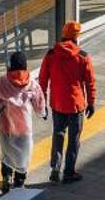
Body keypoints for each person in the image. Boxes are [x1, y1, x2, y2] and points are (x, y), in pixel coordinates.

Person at [38, 22, 97, 184]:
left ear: (63, 34)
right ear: (77, 38)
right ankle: (69, 172)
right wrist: (91, 102)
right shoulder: (83, 56)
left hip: (57, 103)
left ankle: (55, 168)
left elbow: (42, 80)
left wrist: (41, 102)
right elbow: (90, 82)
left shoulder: (51, 54)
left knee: (58, 135)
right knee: (74, 139)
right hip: (76, 105)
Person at [0, 50, 48, 189]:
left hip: (6, 127)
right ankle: (19, 181)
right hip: (24, 129)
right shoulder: (31, 83)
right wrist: (43, 113)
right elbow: (39, 102)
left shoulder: (2, 81)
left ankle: (6, 177)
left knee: (6, 154)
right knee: (23, 157)